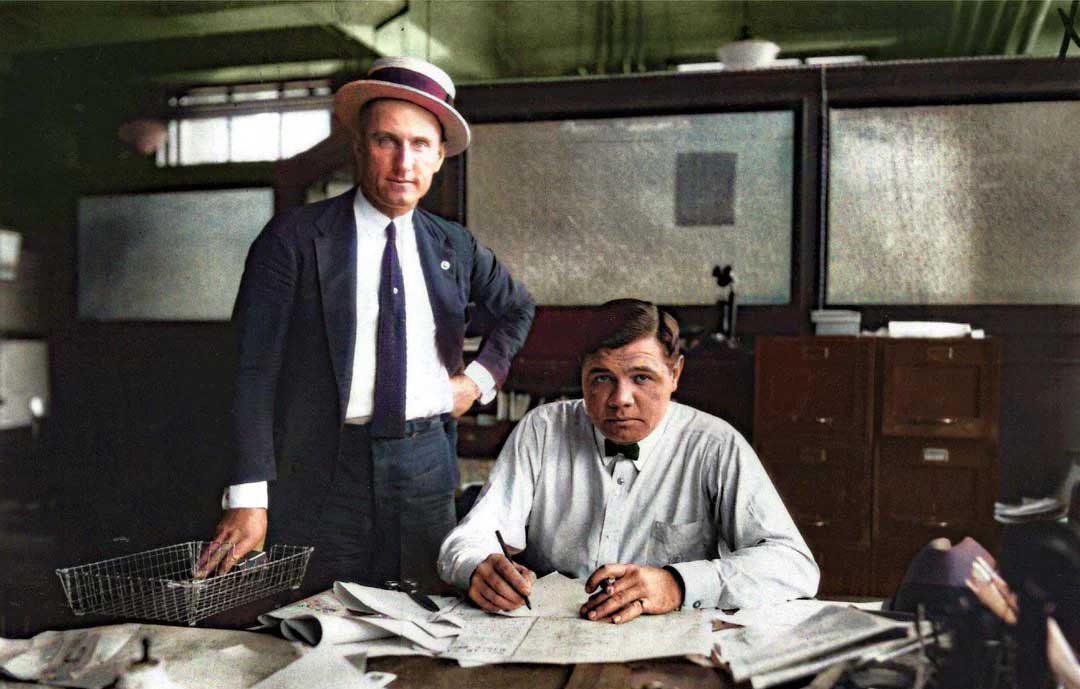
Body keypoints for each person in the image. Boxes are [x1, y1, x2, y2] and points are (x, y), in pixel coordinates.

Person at [200, 57, 534, 591]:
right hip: (320, 469)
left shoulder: (455, 245)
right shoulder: (293, 240)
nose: (404, 163)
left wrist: (479, 380)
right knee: (310, 620)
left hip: (426, 468)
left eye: (420, 145)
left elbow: (518, 309)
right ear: (359, 147)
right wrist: (247, 498)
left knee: (428, 617)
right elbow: (251, 373)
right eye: (387, 142)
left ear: (440, 156)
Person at [438, 299, 818, 622]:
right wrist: (477, 566)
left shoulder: (714, 445)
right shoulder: (542, 429)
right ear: (581, 375)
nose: (620, 399)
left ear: (674, 374)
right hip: (550, 632)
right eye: (601, 378)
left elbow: (794, 566)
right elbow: (472, 535)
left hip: (669, 641)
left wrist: (678, 584)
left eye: (641, 378)